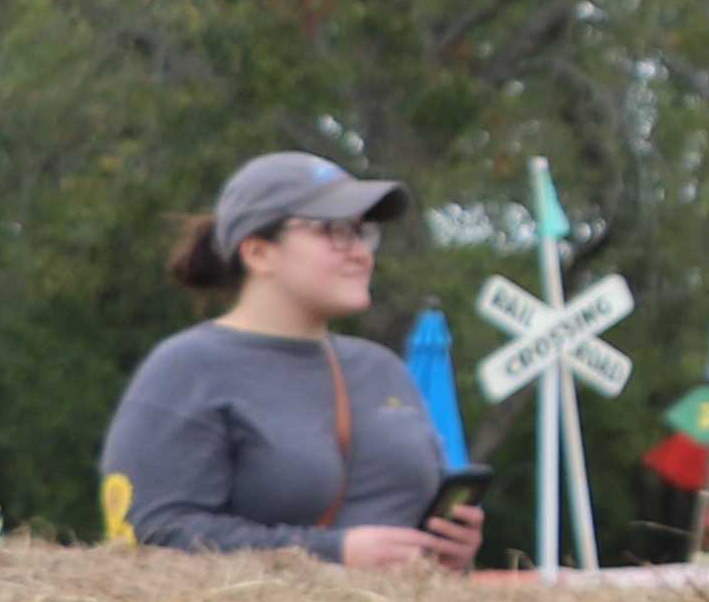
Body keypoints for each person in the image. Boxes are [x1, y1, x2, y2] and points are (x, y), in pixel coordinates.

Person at [96, 150, 485, 567]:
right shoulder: (186, 369)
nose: (360, 253)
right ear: (259, 253)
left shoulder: (383, 369)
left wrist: (449, 548)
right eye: (335, 231)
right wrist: (332, 554)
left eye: (363, 232)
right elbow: (150, 539)